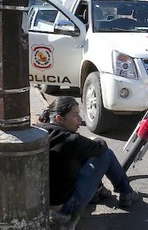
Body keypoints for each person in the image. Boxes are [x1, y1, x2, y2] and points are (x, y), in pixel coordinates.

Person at [37, 96, 140, 225]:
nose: (80, 120)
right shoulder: (70, 140)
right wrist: (94, 139)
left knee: (82, 155)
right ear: (59, 118)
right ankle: (127, 193)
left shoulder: (39, 132)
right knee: (105, 154)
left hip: (42, 203)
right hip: (66, 207)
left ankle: (98, 190)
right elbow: (101, 147)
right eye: (75, 115)